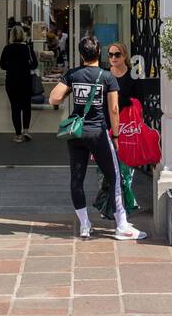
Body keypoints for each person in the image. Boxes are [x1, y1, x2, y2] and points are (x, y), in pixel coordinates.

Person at [49, 34, 147, 242]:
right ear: (99, 52)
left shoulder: (73, 74)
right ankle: (122, 226)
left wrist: (70, 92)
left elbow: (54, 98)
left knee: (77, 180)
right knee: (115, 178)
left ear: (80, 54)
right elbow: (113, 109)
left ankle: (85, 225)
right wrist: (117, 135)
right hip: (98, 133)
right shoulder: (106, 77)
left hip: (76, 134)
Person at [0, 24, 38, 142]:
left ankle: (18, 134)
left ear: (11, 36)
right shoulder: (27, 48)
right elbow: (34, 64)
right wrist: (25, 66)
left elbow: (2, 65)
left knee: (15, 107)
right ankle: (26, 131)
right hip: (25, 81)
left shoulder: (7, 48)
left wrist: (11, 66)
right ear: (23, 35)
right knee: (26, 107)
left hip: (11, 82)